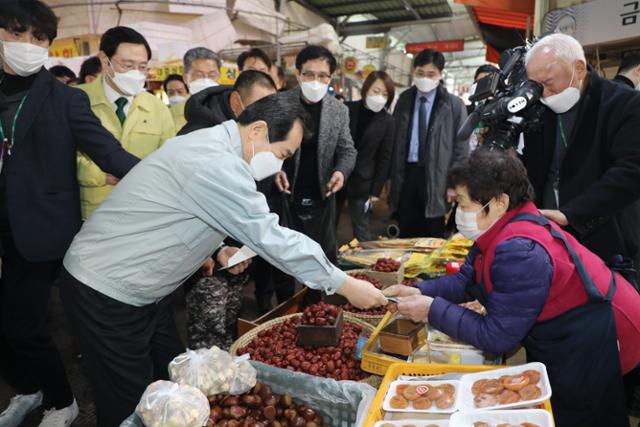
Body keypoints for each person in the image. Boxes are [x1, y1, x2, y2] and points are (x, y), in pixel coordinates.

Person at [58, 92, 387, 427]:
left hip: (143, 290)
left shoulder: (216, 148)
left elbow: (181, 208)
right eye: (282, 154)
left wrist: (215, 249)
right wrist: (342, 282)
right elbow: (269, 235)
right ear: (258, 130)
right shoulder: (215, 161)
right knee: (129, 402)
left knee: (171, 386)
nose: (281, 164)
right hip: (106, 289)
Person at [386, 149, 640, 426]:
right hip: (567, 334)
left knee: (584, 413)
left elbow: (497, 336)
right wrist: (422, 291)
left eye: (462, 202)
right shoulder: (500, 228)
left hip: (599, 335)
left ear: (498, 202)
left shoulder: (520, 249)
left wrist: (431, 310)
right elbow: (466, 280)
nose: (457, 212)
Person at [0, 1, 139, 426]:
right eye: (16, 33)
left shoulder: (65, 99)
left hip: (40, 231)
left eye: (39, 38)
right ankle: (29, 388)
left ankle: (62, 400)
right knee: (5, 329)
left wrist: (164, 178)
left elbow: (108, 152)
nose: (27, 45)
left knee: (24, 324)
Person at [178, 70, 278, 349]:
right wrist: (211, 250)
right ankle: (204, 392)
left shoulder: (254, 130)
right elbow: (186, 202)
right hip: (206, 255)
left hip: (238, 251)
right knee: (208, 338)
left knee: (230, 327)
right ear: (236, 103)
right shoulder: (199, 136)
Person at [522, 33, 640, 265]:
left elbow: (632, 171)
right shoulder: (539, 110)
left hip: (608, 240)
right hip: (549, 239)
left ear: (579, 68)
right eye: (537, 87)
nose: (544, 94)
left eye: (548, 83)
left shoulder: (624, 104)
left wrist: (572, 214)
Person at [276, 45, 357, 302]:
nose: (315, 81)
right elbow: (262, 146)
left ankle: (314, 309)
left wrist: (341, 173)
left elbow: (347, 151)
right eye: (309, 74)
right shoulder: (280, 104)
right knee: (281, 260)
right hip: (284, 196)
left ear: (330, 78)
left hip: (322, 197)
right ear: (298, 74)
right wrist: (273, 170)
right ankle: (277, 310)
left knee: (321, 260)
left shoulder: (338, 110)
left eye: (322, 76)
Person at [77, 26, 175, 220]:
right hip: (89, 213)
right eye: (127, 65)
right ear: (105, 61)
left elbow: (170, 159)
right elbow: (57, 155)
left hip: (141, 212)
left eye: (142, 67)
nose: (136, 74)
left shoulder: (157, 108)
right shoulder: (77, 100)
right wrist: (100, 175)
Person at [388, 48, 468, 238]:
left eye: (431, 74)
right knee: (406, 227)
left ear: (440, 75)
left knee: (432, 231)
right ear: (414, 72)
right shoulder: (405, 99)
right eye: (420, 73)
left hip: (438, 177)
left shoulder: (453, 105)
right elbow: (394, 140)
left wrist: (454, 183)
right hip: (407, 173)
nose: (425, 78)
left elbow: (461, 148)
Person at [338, 70, 395, 241]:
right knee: (328, 222)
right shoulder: (347, 109)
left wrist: (376, 190)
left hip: (363, 181)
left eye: (385, 94)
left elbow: (385, 158)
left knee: (361, 228)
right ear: (366, 89)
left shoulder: (387, 121)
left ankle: (361, 263)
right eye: (375, 91)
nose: (379, 97)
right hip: (337, 174)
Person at [171, 47, 222, 132]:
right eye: (199, 75)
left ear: (219, 76)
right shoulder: (171, 114)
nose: (206, 80)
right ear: (185, 77)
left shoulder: (231, 109)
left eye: (212, 75)